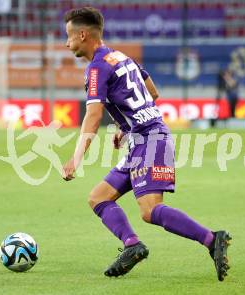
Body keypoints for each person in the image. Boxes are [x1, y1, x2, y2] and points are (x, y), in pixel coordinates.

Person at [61, 7, 231, 281]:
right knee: (98, 198)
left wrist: (76, 158)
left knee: (150, 210)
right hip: (142, 139)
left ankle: (212, 239)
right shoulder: (120, 57)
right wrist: (125, 127)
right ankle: (132, 245)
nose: (66, 42)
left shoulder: (96, 68)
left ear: (83, 34)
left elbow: (93, 116)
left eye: (68, 36)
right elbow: (152, 91)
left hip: (150, 140)